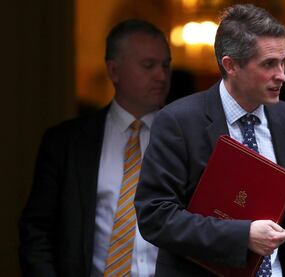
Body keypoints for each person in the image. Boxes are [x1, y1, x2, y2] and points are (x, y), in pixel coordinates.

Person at [135, 4, 285, 277]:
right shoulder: (177, 122)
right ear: (231, 65)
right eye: (269, 64)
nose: (282, 75)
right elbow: (155, 216)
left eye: (283, 61)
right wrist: (242, 236)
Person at [18, 19, 171, 277]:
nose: (161, 75)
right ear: (114, 71)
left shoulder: (184, 139)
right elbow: (37, 231)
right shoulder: (67, 142)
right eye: (148, 65)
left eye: (166, 65)